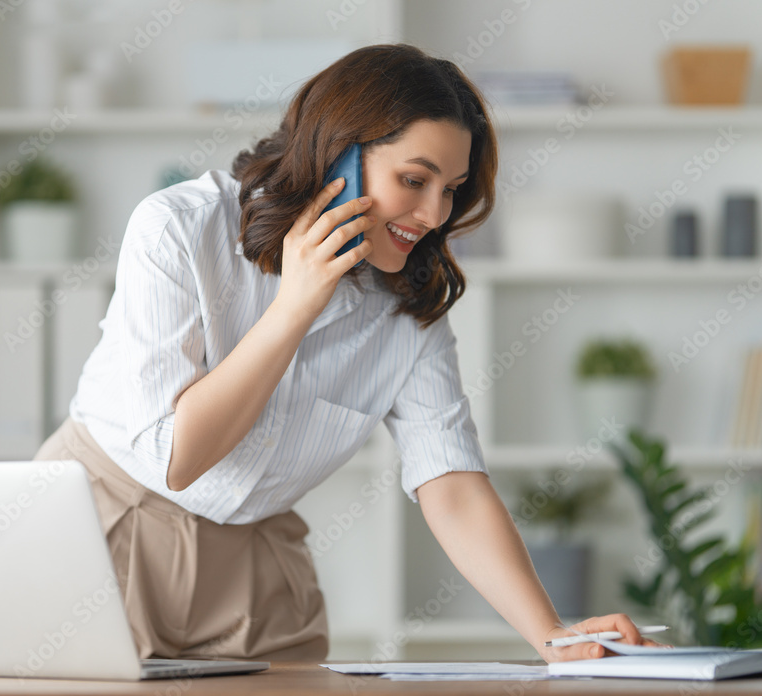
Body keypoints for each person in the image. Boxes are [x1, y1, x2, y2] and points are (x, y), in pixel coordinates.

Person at [34, 43, 660, 663]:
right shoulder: (178, 230)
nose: (434, 215)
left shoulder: (408, 309)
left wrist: (552, 635)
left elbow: (452, 485)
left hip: (256, 557)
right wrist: (296, 306)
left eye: (451, 188)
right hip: (105, 525)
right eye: (414, 180)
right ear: (339, 157)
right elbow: (176, 458)